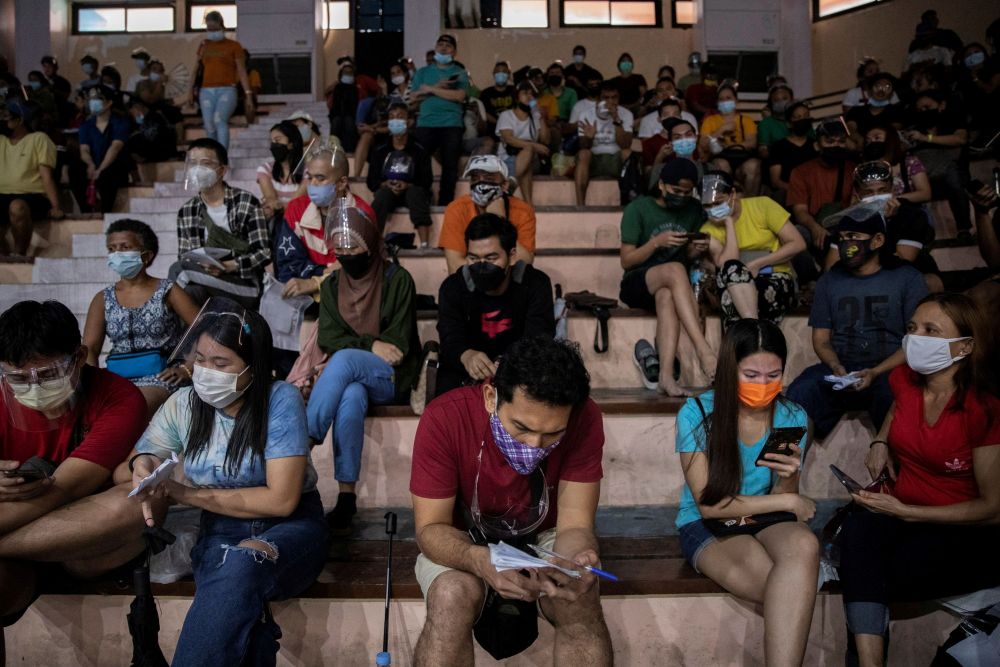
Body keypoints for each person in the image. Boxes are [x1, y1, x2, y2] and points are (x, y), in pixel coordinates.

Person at [123, 302, 328, 665]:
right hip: (219, 529)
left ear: (254, 367)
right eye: (200, 360)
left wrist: (183, 493)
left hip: (290, 528)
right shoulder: (184, 403)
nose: (205, 372)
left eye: (221, 364)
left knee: (242, 563)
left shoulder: (280, 399)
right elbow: (147, 452)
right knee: (242, 601)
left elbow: (280, 501)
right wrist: (145, 467)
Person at [409, 336, 613, 666]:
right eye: (521, 427)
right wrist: (478, 560)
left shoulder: (585, 418)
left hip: (544, 536)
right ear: (491, 397)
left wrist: (575, 559)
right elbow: (431, 529)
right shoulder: (445, 417)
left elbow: (575, 523)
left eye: (552, 434)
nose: (534, 444)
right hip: (465, 537)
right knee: (451, 596)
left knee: (579, 594)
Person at [838, 292, 1000, 667]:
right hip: (906, 515)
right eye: (912, 328)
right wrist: (880, 439)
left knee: (866, 572)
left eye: (931, 330)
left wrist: (908, 512)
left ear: (964, 346)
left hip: (965, 531)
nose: (916, 338)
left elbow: (993, 509)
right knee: (860, 526)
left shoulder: (983, 409)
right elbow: (899, 406)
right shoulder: (904, 381)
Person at [0, 301, 150, 660]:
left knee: (140, 503)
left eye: (49, 374)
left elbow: (63, 489)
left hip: (85, 544)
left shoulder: (120, 398)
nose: (34, 388)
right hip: (21, 553)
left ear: (79, 356)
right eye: (19, 379)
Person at [674, 318, 819, 667]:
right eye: (751, 375)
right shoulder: (697, 413)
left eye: (773, 375)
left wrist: (788, 479)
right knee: (787, 584)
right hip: (708, 523)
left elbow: (785, 497)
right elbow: (710, 505)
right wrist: (788, 500)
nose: (763, 385)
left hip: (764, 516)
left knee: (805, 546)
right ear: (729, 370)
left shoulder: (789, 415)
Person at [306, 203, 420, 534]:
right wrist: (370, 345)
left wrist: (358, 348)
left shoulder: (398, 280)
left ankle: (304, 444)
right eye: (339, 248)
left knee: (344, 360)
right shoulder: (330, 286)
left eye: (352, 246)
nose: (346, 254)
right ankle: (346, 498)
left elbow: (397, 347)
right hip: (354, 378)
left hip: (392, 378)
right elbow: (328, 337)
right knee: (351, 396)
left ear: (369, 243)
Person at [786, 208, 928, 442]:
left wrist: (875, 371)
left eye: (853, 237)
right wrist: (835, 366)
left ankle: (896, 470)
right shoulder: (829, 281)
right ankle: (777, 466)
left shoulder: (907, 278)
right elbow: (821, 340)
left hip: (889, 369)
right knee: (799, 392)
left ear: (878, 240)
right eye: (841, 238)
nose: (845, 244)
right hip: (841, 370)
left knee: (896, 394)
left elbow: (916, 341)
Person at [82, 218, 200, 418]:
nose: (117, 254)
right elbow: (90, 349)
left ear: (146, 255)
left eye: (125, 247)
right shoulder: (103, 298)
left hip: (160, 377)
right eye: (112, 249)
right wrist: (93, 388)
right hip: (116, 379)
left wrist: (187, 368)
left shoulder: (167, 290)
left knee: (131, 407)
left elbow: (204, 326)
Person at [619, 159, 717, 396]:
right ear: (661, 185)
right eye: (676, 191)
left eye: (687, 192)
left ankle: (665, 377)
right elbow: (626, 260)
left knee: (666, 296)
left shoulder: (693, 209)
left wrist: (699, 248)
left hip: (674, 287)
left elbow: (689, 254)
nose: (681, 196)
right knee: (673, 269)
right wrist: (656, 242)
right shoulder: (638, 209)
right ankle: (703, 349)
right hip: (637, 283)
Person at [437, 214, 554, 396]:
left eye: (491, 258)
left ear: (512, 256)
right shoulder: (453, 287)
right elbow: (449, 335)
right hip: (466, 373)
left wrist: (510, 362)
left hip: (521, 371)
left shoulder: (535, 284)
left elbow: (539, 337)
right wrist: (466, 355)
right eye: (474, 258)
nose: (482, 266)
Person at [171, 138, 271, 308]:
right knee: (191, 293)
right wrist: (205, 266)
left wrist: (228, 266)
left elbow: (264, 252)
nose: (197, 169)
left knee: (178, 270)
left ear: (222, 170)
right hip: (204, 281)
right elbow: (185, 256)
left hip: (245, 285)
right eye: (193, 163)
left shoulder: (245, 202)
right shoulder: (186, 211)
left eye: (205, 163)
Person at [700, 171, 806, 326]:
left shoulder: (762, 205)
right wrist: (729, 223)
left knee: (758, 293)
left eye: (718, 202)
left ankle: (751, 332)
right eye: (707, 205)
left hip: (774, 276)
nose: (713, 209)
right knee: (730, 293)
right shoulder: (708, 229)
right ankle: (753, 331)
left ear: (732, 194)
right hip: (734, 284)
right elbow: (728, 264)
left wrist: (758, 264)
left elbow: (798, 243)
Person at [274, 147, 375, 296]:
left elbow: (356, 271)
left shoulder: (362, 215)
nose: (312, 184)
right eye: (310, 177)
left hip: (349, 296)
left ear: (341, 183)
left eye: (320, 178)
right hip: (306, 295)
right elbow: (288, 266)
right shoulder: (296, 209)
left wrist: (316, 282)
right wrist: (326, 272)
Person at [440, 154, 537, 274]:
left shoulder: (522, 211)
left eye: (489, 178)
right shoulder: (457, 209)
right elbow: (455, 267)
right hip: (472, 285)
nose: (481, 183)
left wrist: (499, 220)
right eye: (475, 179)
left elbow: (525, 263)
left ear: (504, 185)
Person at [903, 90, 972, 241]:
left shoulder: (952, 121)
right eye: (920, 109)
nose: (924, 112)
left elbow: (960, 140)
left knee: (954, 180)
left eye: (927, 107)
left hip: (949, 169)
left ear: (941, 105)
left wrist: (926, 138)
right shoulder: (915, 127)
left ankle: (963, 228)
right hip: (923, 173)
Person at [410, 34, 468, 206]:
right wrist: (436, 87)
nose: (443, 48)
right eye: (440, 44)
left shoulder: (459, 73)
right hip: (426, 123)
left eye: (448, 46)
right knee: (420, 162)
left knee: (450, 166)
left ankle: (445, 203)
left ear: (454, 52)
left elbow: (460, 96)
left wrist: (429, 90)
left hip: (452, 124)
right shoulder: (423, 72)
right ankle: (423, 197)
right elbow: (413, 97)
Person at [0, 100, 63, 257]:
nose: (2, 121)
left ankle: (19, 253)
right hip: (3, 194)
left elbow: (46, 175)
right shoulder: (1, 140)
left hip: (32, 196)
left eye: (6, 117)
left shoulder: (39, 138)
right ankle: (3, 255)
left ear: (20, 120)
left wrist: (55, 206)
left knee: (17, 206)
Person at [366, 103, 434, 247]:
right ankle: (374, 244)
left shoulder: (419, 149)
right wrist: (385, 184)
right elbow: (371, 181)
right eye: (392, 117)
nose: (395, 120)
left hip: (412, 191)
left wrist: (408, 185)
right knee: (382, 195)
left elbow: (426, 180)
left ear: (409, 121)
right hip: (388, 192)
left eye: (400, 117)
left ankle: (424, 244)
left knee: (416, 194)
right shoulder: (380, 150)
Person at [788, 117, 856, 259]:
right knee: (796, 233)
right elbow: (800, 212)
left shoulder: (853, 169)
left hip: (846, 225)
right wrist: (815, 228)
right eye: (830, 142)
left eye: (841, 142)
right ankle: (810, 274)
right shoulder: (801, 172)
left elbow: (858, 205)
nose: (836, 146)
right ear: (817, 145)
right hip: (814, 224)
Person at [190, 10, 253, 150]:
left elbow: (242, 72)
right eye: (209, 29)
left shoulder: (234, 46)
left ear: (222, 26)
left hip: (227, 90)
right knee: (208, 124)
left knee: (219, 120)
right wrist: (190, 91)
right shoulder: (204, 45)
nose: (211, 31)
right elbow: (195, 69)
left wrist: (248, 94)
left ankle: (223, 156)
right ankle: (214, 154)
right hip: (206, 91)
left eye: (215, 28)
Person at [71, 85, 130, 214]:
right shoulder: (86, 126)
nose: (93, 103)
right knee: (75, 170)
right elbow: (84, 150)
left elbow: (115, 148)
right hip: (94, 165)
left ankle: (105, 211)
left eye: (97, 99)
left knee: (108, 173)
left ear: (109, 103)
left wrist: (100, 169)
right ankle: (86, 211)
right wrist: (90, 164)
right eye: (91, 99)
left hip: (112, 166)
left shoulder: (120, 123)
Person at [698, 81, 761, 196]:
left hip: (742, 158)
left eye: (728, 98)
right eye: (721, 99)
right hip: (719, 158)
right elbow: (703, 144)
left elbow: (751, 143)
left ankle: (750, 205)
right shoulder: (710, 121)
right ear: (717, 103)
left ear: (736, 101)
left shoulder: (746, 120)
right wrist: (721, 130)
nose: (725, 101)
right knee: (721, 165)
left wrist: (727, 146)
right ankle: (725, 204)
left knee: (753, 165)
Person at [575, 83, 633, 206]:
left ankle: (627, 203)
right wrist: (589, 138)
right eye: (606, 98)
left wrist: (616, 120)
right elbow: (583, 146)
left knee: (628, 153)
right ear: (598, 100)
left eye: (614, 97)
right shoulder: (585, 114)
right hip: (594, 160)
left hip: (615, 159)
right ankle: (580, 205)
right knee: (584, 153)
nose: (610, 101)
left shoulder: (626, 114)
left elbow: (626, 144)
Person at [496, 81, 551, 205]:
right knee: (529, 152)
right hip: (507, 159)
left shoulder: (535, 116)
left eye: (532, 94)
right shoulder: (507, 115)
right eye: (525, 93)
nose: (529, 97)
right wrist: (534, 145)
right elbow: (508, 138)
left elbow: (546, 140)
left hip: (531, 160)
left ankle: (510, 184)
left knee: (528, 152)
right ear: (516, 98)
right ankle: (528, 204)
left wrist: (541, 117)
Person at [859, 123, 932, 204]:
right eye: (868, 141)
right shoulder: (864, 169)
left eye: (877, 138)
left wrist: (892, 200)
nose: (872, 142)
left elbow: (925, 194)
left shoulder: (910, 162)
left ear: (890, 140)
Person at [255, 121, 306, 223]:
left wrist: (277, 207)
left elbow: (295, 204)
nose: (274, 145)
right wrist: (273, 206)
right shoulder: (265, 169)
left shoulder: (308, 170)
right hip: (277, 220)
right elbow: (270, 198)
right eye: (272, 141)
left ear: (291, 144)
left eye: (277, 140)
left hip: (300, 220)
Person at [767, 101, 817, 202]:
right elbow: (775, 181)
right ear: (789, 123)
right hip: (789, 190)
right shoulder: (778, 147)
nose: (803, 119)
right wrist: (796, 190)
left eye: (806, 116)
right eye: (798, 117)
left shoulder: (816, 145)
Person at [845, 73, 904, 150]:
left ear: (891, 94)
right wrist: (859, 139)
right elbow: (850, 128)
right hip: (859, 149)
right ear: (869, 92)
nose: (881, 90)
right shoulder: (856, 111)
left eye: (887, 87)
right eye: (877, 86)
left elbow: (893, 131)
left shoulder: (896, 111)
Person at [125, 97, 178, 168]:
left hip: (165, 157)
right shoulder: (141, 123)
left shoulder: (158, 115)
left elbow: (163, 137)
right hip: (151, 159)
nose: (135, 117)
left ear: (137, 107)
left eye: (133, 113)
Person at [326, 62, 361, 152]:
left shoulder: (355, 89)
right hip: (337, 114)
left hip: (351, 115)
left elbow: (355, 106)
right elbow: (334, 104)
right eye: (346, 73)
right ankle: (333, 149)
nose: (348, 75)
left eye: (350, 73)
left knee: (349, 122)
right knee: (336, 122)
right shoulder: (337, 87)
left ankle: (350, 151)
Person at [756, 84, 794, 159]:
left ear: (792, 100)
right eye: (776, 100)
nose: (781, 102)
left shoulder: (802, 121)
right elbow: (763, 151)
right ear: (770, 104)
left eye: (785, 98)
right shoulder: (766, 124)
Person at [479, 60, 516, 134]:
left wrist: (513, 79)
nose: (501, 74)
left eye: (504, 72)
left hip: (514, 128)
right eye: (498, 72)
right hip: (493, 130)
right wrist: (499, 122)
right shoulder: (486, 93)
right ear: (493, 74)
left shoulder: (514, 90)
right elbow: (483, 112)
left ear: (508, 75)